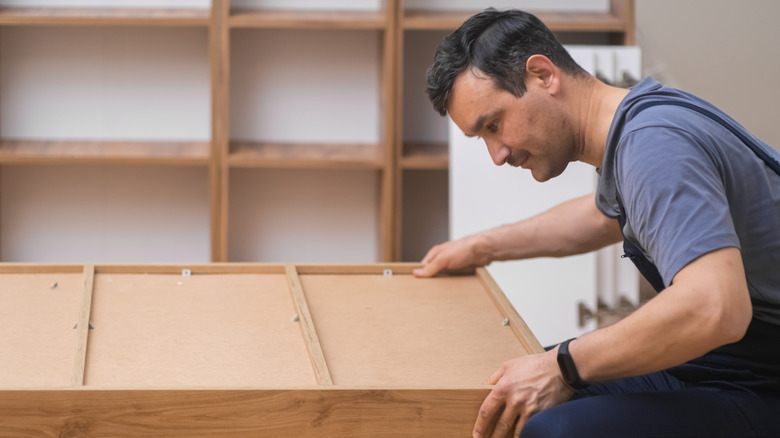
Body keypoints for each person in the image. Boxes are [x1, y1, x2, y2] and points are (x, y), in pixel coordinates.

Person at [414, 8, 780, 438]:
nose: (497, 154)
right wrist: (483, 246)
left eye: (494, 125)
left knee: (550, 428)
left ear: (543, 75)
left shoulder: (653, 143)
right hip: (735, 359)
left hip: (764, 373)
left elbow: (715, 307)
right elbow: (601, 217)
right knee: (507, 391)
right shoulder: (641, 122)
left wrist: (562, 366)